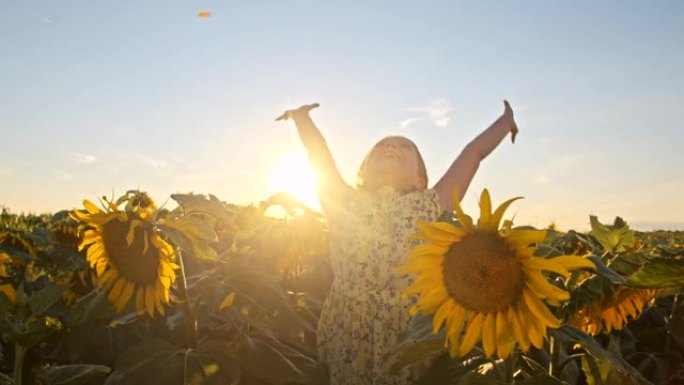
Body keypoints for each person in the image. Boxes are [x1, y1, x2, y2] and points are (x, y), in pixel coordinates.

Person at [276, 101, 518, 385]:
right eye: (383, 145)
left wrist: (505, 123)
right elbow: (318, 154)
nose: (391, 147)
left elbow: (473, 154)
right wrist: (302, 119)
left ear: (420, 180)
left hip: (406, 336)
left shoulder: (429, 203)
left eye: (405, 147)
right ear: (362, 174)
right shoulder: (344, 201)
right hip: (347, 331)